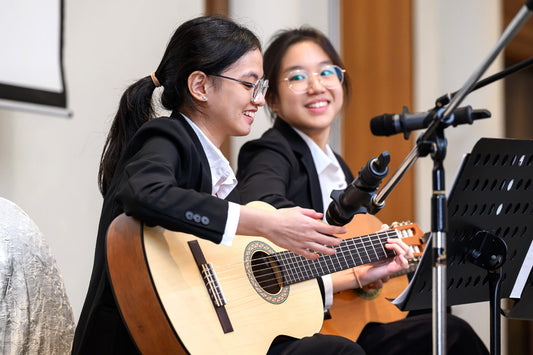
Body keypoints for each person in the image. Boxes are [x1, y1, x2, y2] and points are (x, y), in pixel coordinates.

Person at [71, 16, 392, 355]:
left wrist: (356, 274)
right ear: (201, 86)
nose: (257, 99)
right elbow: (143, 192)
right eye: (248, 84)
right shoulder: (166, 136)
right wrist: (265, 222)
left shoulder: (220, 175)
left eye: (261, 87)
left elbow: (236, 282)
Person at [237, 26, 490, 355]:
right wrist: (354, 269)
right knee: (450, 333)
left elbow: (352, 250)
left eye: (327, 72)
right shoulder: (270, 150)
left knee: (436, 313)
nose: (316, 86)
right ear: (272, 98)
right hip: (304, 329)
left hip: (346, 320)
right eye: (297, 77)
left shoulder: (338, 167)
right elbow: (265, 213)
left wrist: (373, 271)